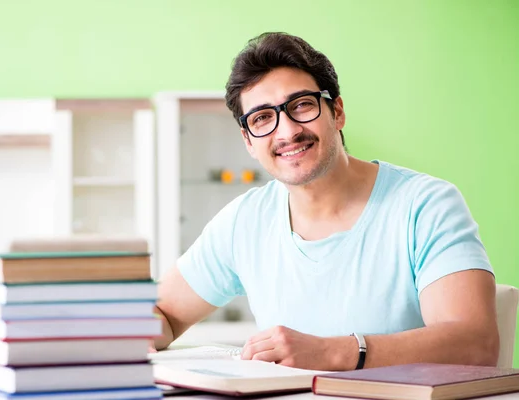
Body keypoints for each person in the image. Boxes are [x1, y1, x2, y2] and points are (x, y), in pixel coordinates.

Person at [152, 32, 499, 371]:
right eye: (262, 118)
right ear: (248, 142)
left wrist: (337, 352)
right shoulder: (244, 221)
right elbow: (164, 314)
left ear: (337, 112)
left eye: (301, 105)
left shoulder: (426, 205)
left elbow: (475, 343)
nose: (286, 132)